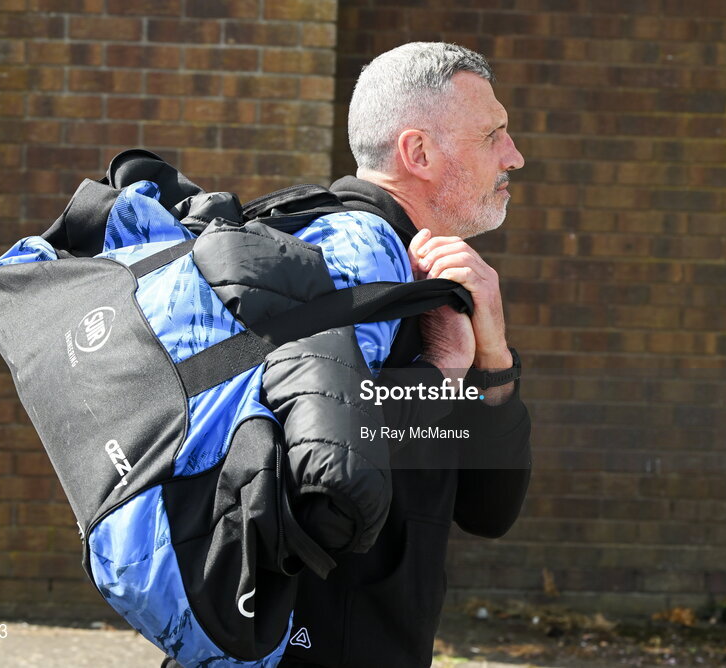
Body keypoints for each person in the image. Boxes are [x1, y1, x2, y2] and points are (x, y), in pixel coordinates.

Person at [278, 42, 532, 668]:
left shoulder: (425, 279)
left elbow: (488, 510)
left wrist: (492, 359)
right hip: (302, 646)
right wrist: (439, 375)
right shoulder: (343, 267)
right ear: (417, 152)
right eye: (491, 135)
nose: (514, 156)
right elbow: (316, 473)